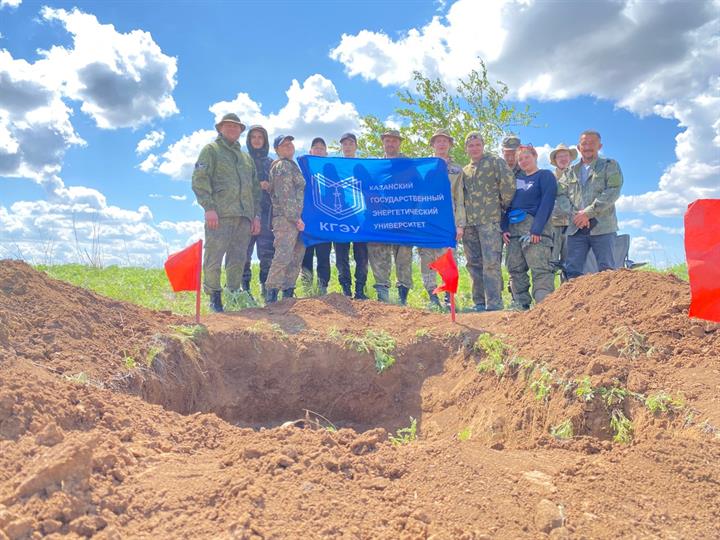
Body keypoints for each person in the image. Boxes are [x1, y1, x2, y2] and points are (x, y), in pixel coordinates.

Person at [191, 113, 260, 313]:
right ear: (220, 128)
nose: (232, 129)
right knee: (214, 255)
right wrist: (209, 208)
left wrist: (255, 216)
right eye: (228, 126)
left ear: (240, 131)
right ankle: (214, 297)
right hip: (220, 215)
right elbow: (200, 179)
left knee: (238, 258)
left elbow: (255, 189)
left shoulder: (246, 158)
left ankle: (233, 293)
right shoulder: (211, 150)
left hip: (244, 217)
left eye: (236, 126)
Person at [559, 130, 623, 279]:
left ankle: (608, 302)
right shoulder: (570, 172)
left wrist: (588, 213)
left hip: (603, 228)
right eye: (584, 143)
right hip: (576, 229)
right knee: (573, 273)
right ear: (578, 147)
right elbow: (560, 194)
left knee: (607, 272)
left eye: (592, 143)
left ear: (599, 146)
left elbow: (613, 191)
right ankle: (575, 303)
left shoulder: (610, 165)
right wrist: (575, 215)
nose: (587, 147)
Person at [462, 131, 515, 311]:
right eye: (471, 145)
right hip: (470, 224)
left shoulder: (495, 162)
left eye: (477, 144)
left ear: (483, 146)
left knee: (491, 263)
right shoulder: (465, 171)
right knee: (474, 264)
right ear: (466, 149)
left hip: (490, 222)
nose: (474, 148)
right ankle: (478, 302)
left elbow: (508, 186)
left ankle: (494, 303)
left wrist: (501, 208)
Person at [502, 145, 557, 308]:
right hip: (513, 230)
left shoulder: (545, 176)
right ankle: (520, 304)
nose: (523, 161)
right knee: (515, 269)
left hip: (534, 229)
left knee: (540, 268)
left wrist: (537, 229)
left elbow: (547, 203)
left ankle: (544, 306)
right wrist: (504, 228)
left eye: (527, 157)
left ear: (535, 156)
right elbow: (506, 206)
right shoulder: (515, 180)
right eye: (520, 159)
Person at [418, 128, 466, 307]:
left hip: (448, 219)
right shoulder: (423, 166)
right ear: (433, 144)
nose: (441, 144)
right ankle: (432, 297)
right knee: (427, 258)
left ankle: (449, 297)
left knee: (447, 257)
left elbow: (459, 197)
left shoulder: (456, 169)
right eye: (438, 141)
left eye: (445, 141)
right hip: (426, 218)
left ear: (450, 144)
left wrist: (460, 224)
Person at [367, 129, 414, 304]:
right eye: (387, 140)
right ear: (383, 143)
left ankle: (403, 298)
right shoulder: (376, 166)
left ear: (399, 143)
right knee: (379, 255)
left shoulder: (409, 164)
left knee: (403, 257)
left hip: (403, 218)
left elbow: (418, 188)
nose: (391, 144)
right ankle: (383, 296)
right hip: (380, 219)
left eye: (394, 141)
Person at [265, 135, 306, 303]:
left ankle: (288, 295)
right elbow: (285, 194)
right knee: (283, 256)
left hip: (296, 219)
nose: (288, 146)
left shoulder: (292, 165)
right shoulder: (282, 166)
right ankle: (272, 296)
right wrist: (295, 218)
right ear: (277, 150)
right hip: (286, 219)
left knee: (295, 257)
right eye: (284, 145)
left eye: (290, 143)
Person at [334, 132, 369, 299]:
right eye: (345, 144)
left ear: (356, 146)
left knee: (361, 255)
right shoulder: (335, 164)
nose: (347, 146)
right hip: (339, 217)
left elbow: (371, 188)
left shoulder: (363, 165)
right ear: (341, 147)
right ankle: (346, 289)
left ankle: (360, 289)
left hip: (361, 219)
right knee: (341, 255)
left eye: (351, 143)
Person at [242, 125, 275, 298]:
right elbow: (237, 185)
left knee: (267, 253)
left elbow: (279, 189)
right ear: (249, 140)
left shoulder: (271, 163)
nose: (256, 140)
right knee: (243, 252)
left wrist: (269, 187)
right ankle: (244, 289)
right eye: (253, 137)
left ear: (265, 141)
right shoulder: (243, 160)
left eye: (260, 137)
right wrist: (257, 185)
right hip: (246, 213)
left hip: (266, 214)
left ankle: (266, 288)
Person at [300, 137, 332, 295]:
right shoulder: (303, 171)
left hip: (325, 223)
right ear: (310, 151)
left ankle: (322, 288)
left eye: (322, 148)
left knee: (323, 257)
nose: (318, 150)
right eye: (316, 147)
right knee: (306, 257)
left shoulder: (331, 172)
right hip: (307, 223)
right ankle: (306, 290)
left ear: (326, 153)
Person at [548, 143, 578, 273]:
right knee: (550, 262)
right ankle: (550, 293)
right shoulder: (548, 177)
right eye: (560, 156)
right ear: (555, 160)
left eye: (566, 155)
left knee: (571, 263)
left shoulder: (578, 177)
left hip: (573, 225)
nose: (563, 159)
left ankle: (569, 291)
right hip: (553, 225)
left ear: (570, 158)